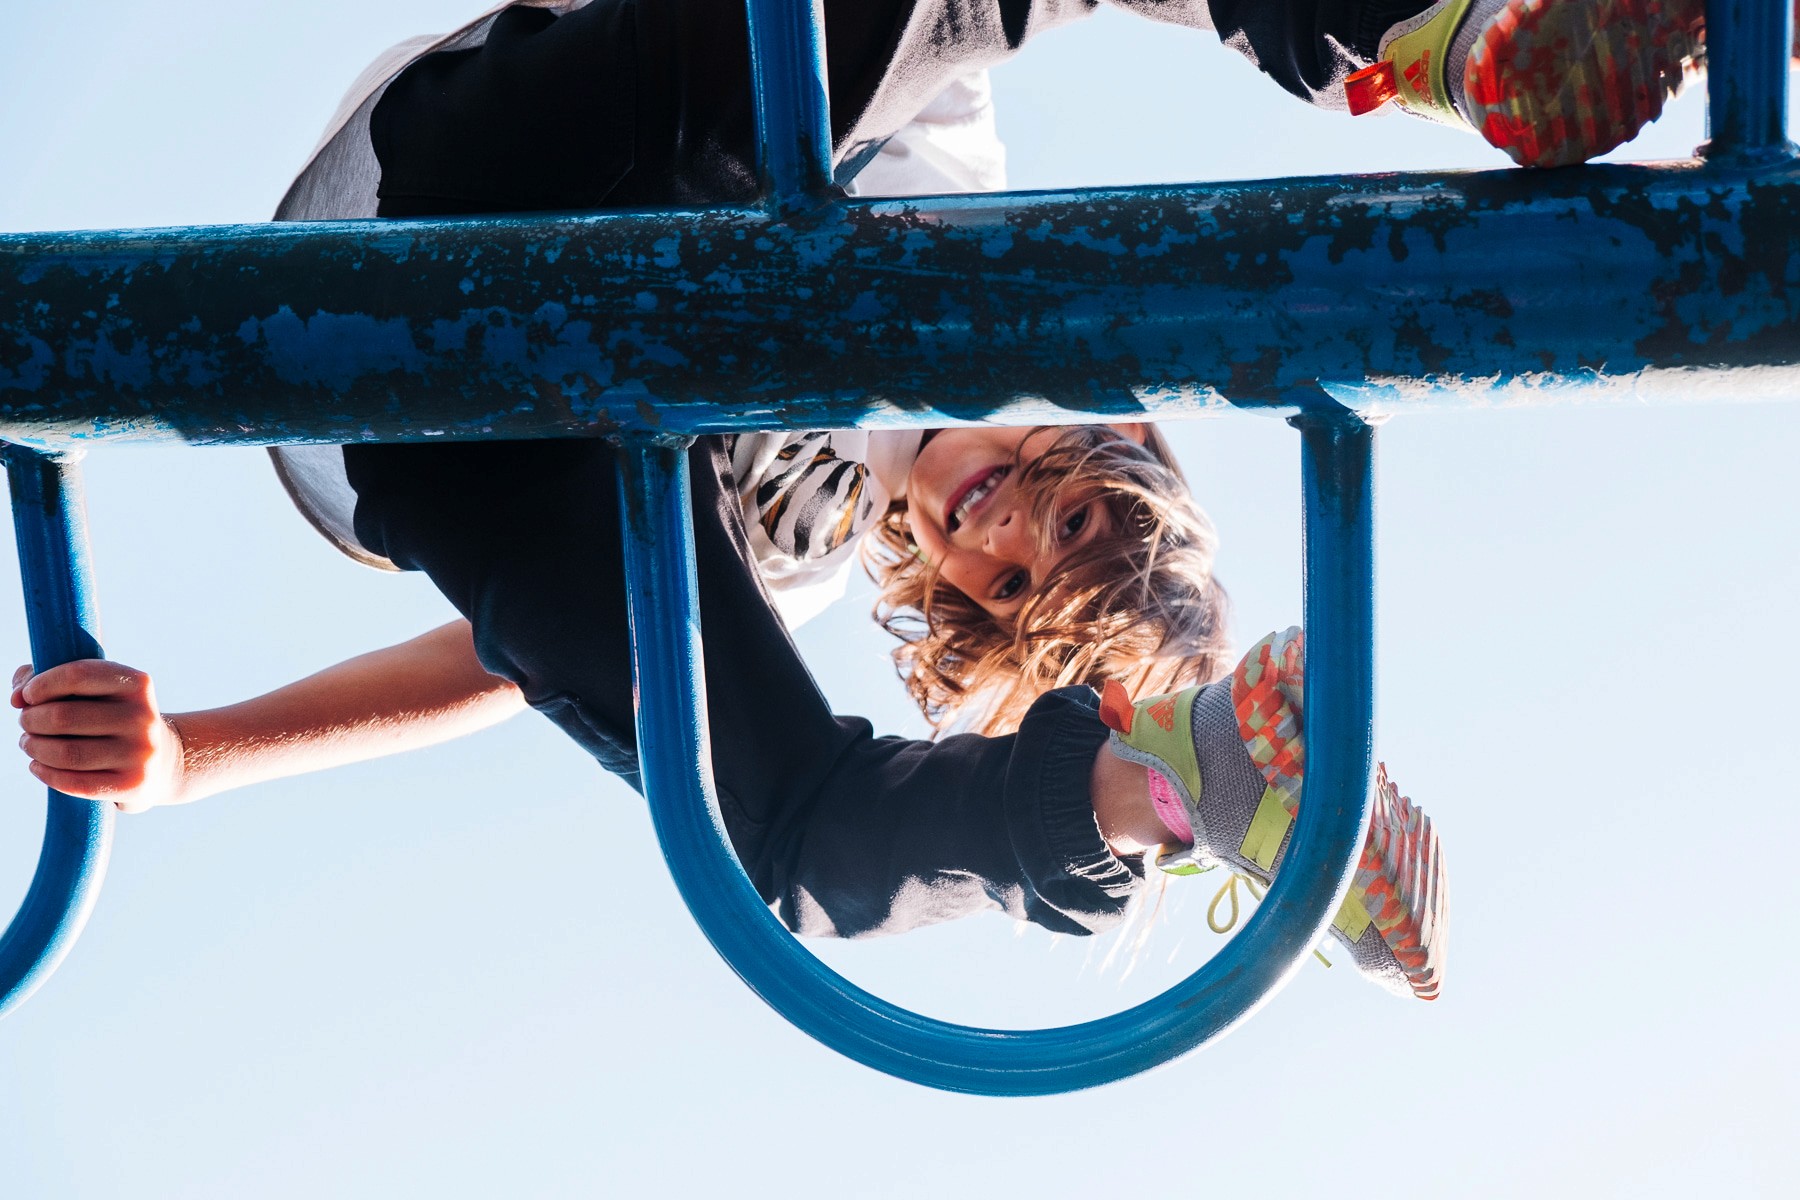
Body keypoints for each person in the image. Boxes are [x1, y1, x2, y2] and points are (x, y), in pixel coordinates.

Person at [42, 0, 1688, 1005]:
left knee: (792, 836)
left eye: (999, 570)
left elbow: (491, 667)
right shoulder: (969, 194)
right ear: (1096, 422)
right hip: (502, 180)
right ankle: (1448, 25)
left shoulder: (794, 553)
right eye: (1056, 492)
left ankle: (1170, 791)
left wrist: (200, 757)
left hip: (442, 448)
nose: (993, 511)